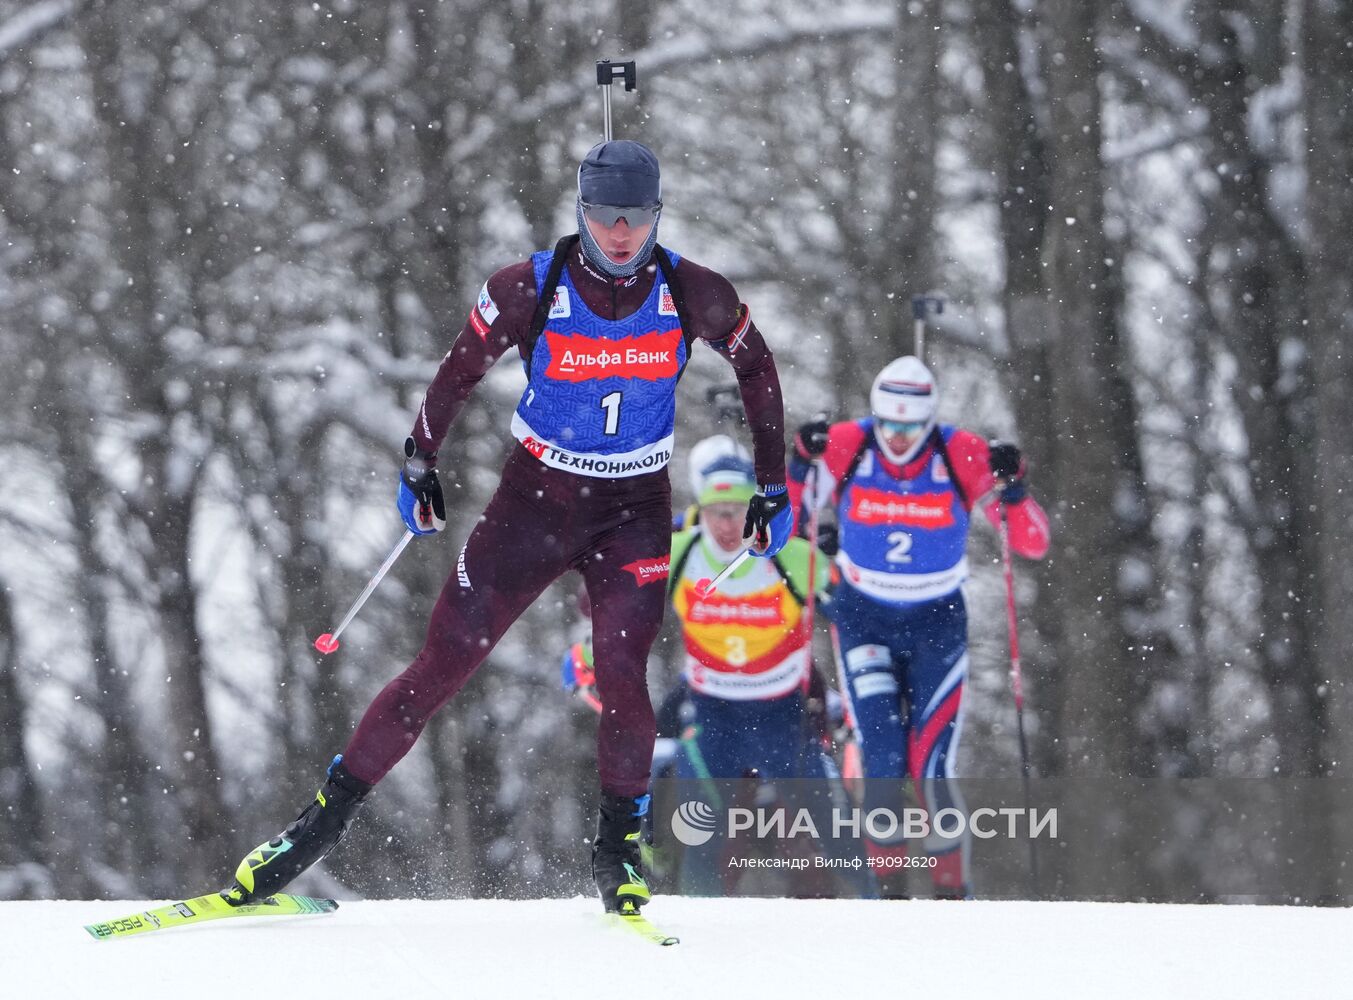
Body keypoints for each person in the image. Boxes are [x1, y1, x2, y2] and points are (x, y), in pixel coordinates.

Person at [224, 140, 792, 916]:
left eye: (635, 217)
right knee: (442, 664)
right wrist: (420, 461)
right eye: (602, 215)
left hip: (633, 509)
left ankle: (618, 855)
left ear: (657, 215)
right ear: (580, 211)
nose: (619, 232)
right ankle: (315, 828)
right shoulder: (531, 286)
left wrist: (771, 482)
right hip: (535, 501)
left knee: (623, 674)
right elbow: (459, 369)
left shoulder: (692, 291)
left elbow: (755, 367)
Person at [563, 435, 872, 898]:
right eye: (714, 512)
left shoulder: (792, 556)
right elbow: (614, 602)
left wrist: (839, 565)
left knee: (834, 836)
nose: (726, 524)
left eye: (735, 511)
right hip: (713, 717)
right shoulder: (679, 552)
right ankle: (697, 941)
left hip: (782, 717)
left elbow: (855, 615)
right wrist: (588, 656)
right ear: (700, 511)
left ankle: (885, 919)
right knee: (701, 838)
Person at [788, 356, 1050, 898]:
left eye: (910, 428)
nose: (897, 438)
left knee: (930, 766)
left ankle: (953, 894)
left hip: (936, 624)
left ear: (929, 421)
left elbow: (1030, 543)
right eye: (887, 424)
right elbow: (787, 523)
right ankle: (887, 895)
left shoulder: (959, 451)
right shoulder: (848, 442)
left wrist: (1014, 486)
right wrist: (797, 461)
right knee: (882, 762)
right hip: (863, 620)